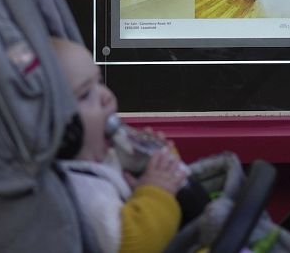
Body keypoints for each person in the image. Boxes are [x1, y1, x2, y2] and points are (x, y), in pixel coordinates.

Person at [51, 38, 190, 253]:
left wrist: (152, 158)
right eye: (86, 94)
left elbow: (151, 172)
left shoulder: (105, 155)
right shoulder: (87, 193)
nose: (106, 96)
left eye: (99, 82)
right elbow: (135, 243)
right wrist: (156, 190)